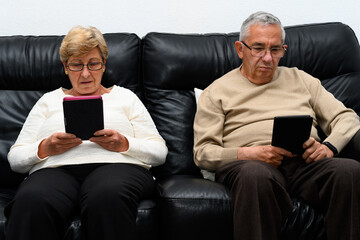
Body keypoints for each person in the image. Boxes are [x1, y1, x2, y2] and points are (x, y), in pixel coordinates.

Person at [193, 11, 360, 240]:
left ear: (284, 50)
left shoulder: (301, 79)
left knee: (349, 171)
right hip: (250, 166)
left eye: (275, 49)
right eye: (258, 48)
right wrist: (247, 153)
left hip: (304, 163)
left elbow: (347, 117)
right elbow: (203, 153)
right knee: (255, 174)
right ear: (240, 49)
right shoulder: (216, 92)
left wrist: (329, 146)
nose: (268, 58)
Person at [5, 26, 168, 240]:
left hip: (118, 168)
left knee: (107, 196)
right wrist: (45, 148)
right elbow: (15, 158)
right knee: (32, 200)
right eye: (76, 65)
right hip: (55, 171)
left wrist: (124, 144)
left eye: (93, 64)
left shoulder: (125, 97)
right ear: (65, 67)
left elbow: (159, 152)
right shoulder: (48, 100)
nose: (85, 73)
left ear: (104, 65)